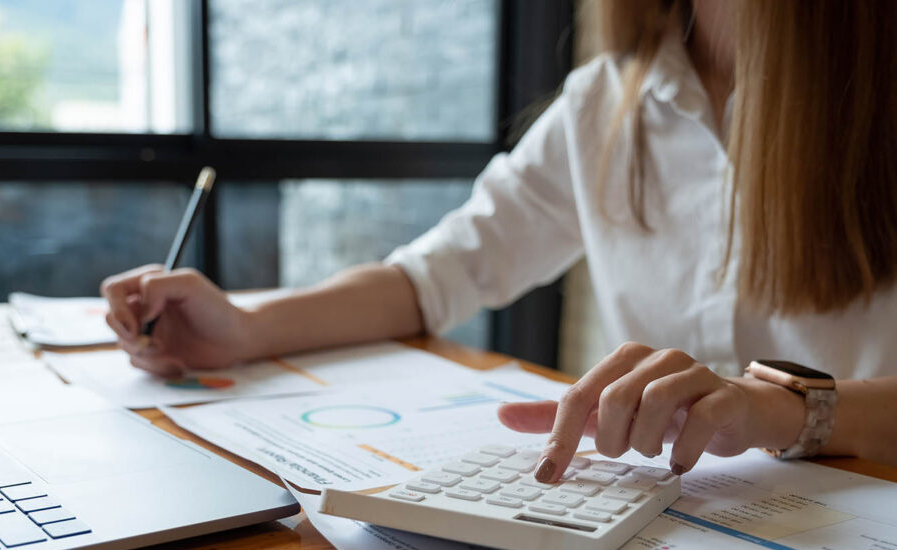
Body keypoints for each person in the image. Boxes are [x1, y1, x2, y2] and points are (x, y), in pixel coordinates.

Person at [101, 0, 897, 483]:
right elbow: (436, 274)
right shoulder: (605, 106)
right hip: (680, 535)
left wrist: (781, 409)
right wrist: (247, 326)